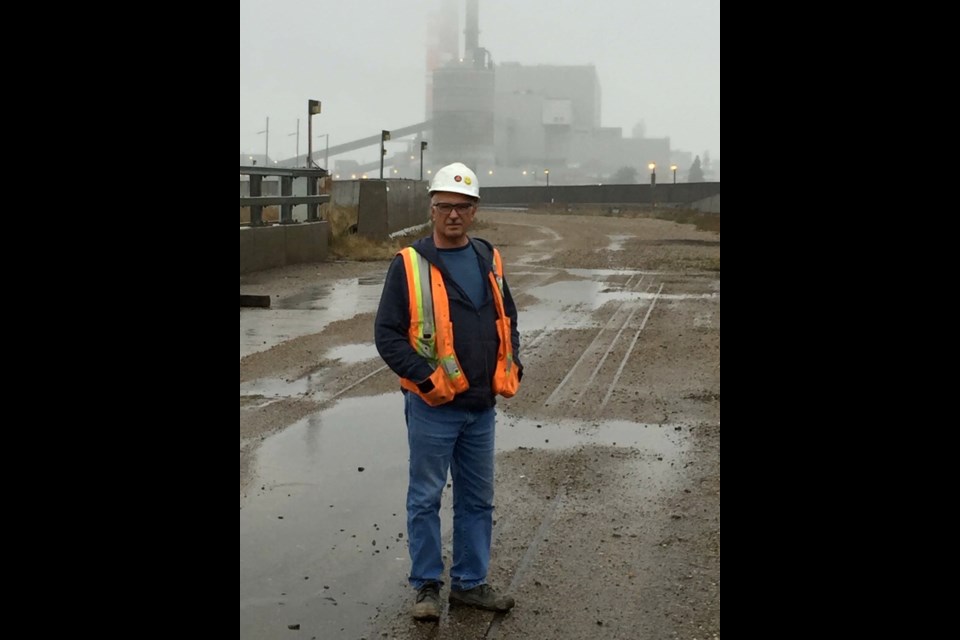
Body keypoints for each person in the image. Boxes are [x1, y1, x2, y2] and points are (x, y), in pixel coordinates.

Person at [374, 162, 523, 621]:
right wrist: (424, 379)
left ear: (474, 210)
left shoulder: (488, 257)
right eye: (444, 207)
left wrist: (513, 360)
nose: (453, 215)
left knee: (478, 499)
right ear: (432, 210)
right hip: (433, 406)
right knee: (425, 497)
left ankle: (470, 584)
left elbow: (507, 319)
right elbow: (387, 334)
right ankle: (426, 587)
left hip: (481, 405)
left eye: (462, 206)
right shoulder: (409, 264)